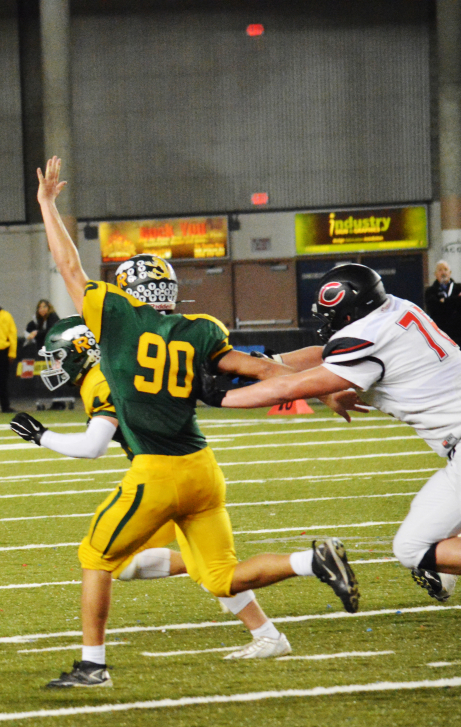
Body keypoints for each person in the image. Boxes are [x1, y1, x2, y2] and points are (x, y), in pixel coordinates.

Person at [35, 156, 359, 688]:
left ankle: (93, 666)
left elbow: (68, 266)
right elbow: (260, 368)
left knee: (95, 554)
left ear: (127, 292)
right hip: (202, 470)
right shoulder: (200, 329)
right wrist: (326, 390)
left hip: (156, 473)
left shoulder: (111, 317)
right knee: (220, 575)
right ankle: (311, 562)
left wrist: (49, 205)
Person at [10, 313, 292, 660]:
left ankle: (93, 664)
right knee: (127, 564)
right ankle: (263, 629)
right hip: (187, 467)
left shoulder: (101, 381)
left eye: (56, 356)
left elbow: (92, 447)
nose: (52, 366)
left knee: (101, 558)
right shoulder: (112, 368)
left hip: (163, 475)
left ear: (78, 351)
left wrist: (42, 437)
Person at [211, 262, 461, 603]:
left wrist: (217, 396)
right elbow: (322, 358)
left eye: (334, 315)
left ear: (351, 312)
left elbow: (288, 389)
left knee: (412, 547)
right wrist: (261, 362)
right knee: (431, 525)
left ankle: (438, 566)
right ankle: (441, 569)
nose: (328, 323)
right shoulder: (398, 307)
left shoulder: (366, 336)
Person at [424, 259, 461, 344]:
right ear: (435, 274)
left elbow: (442, 307)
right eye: (440, 270)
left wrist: (444, 301)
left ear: (450, 272)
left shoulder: (458, 288)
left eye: (445, 269)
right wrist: (456, 300)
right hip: (441, 334)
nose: (443, 273)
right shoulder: (430, 291)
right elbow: (434, 308)